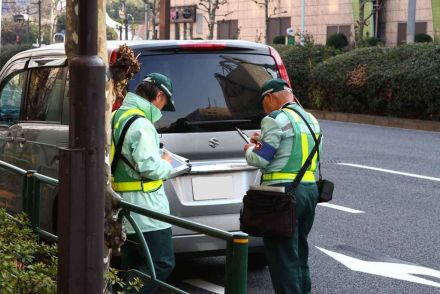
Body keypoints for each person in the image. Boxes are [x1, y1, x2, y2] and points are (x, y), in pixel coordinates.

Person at [244, 78, 322, 294]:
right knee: (299, 253)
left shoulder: (275, 118)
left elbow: (261, 159)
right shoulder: (311, 119)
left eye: (263, 103)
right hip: (309, 191)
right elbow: (293, 148)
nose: (264, 109)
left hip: (281, 195)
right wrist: (264, 140)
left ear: (269, 98)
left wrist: (249, 148)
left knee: (282, 258)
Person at [111, 73, 176, 293]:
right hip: (147, 209)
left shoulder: (117, 115)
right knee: (161, 262)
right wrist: (167, 164)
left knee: (132, 266)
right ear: (159, 95)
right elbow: (149, 167)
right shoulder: (141, 123)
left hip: (123, 205)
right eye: (164, 103)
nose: (162, 109)